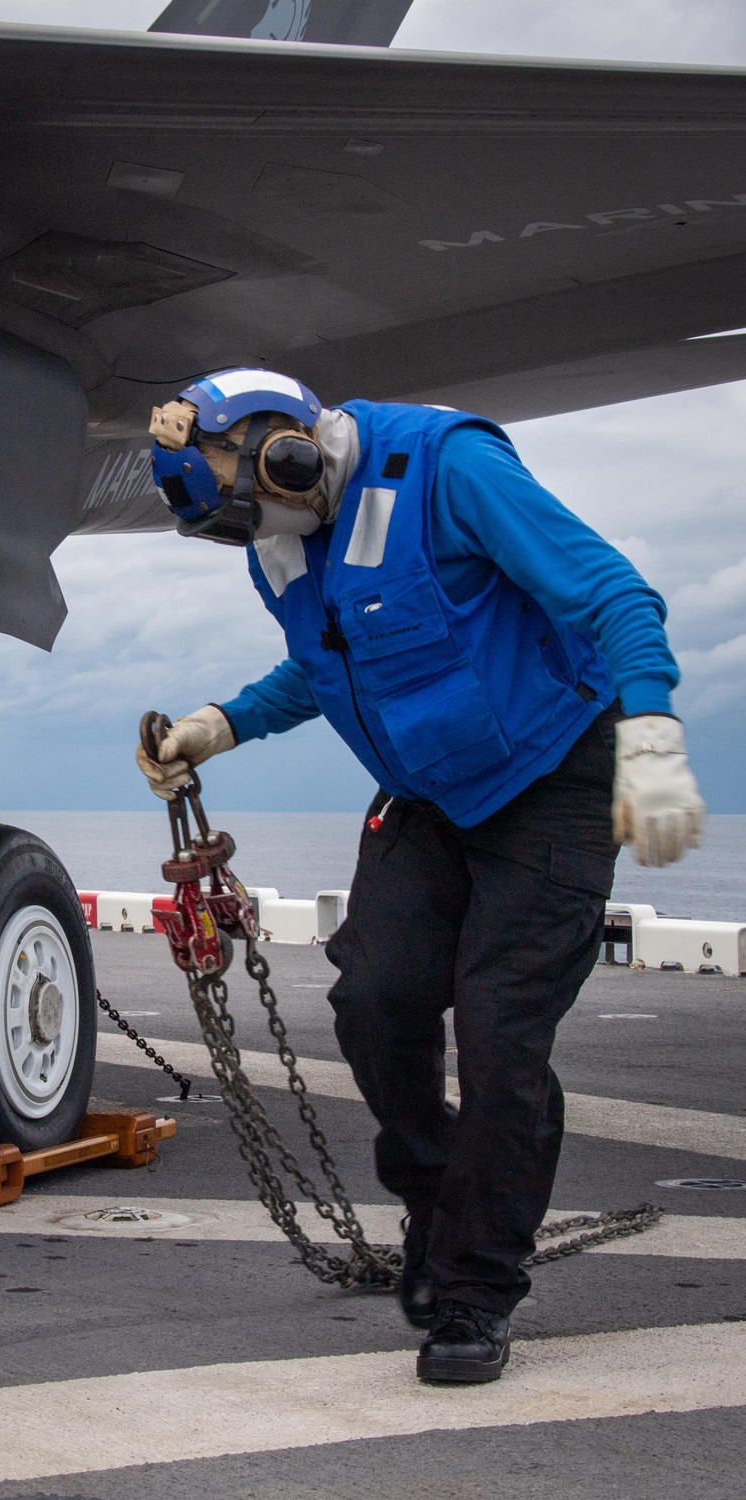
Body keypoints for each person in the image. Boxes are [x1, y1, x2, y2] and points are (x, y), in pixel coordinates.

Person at [136, 368, 704, 1384]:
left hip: (554, 772)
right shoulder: (278, 544)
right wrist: (223, 724)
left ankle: (477, 1291)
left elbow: (611, 590)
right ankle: (439, 1194)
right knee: (375, 1000)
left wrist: (653, 731)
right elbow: (329, 663)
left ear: (287, 449)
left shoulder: (447, 465)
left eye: (245, 497)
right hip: (427, 796)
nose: (253, 528)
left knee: (499, 1034)